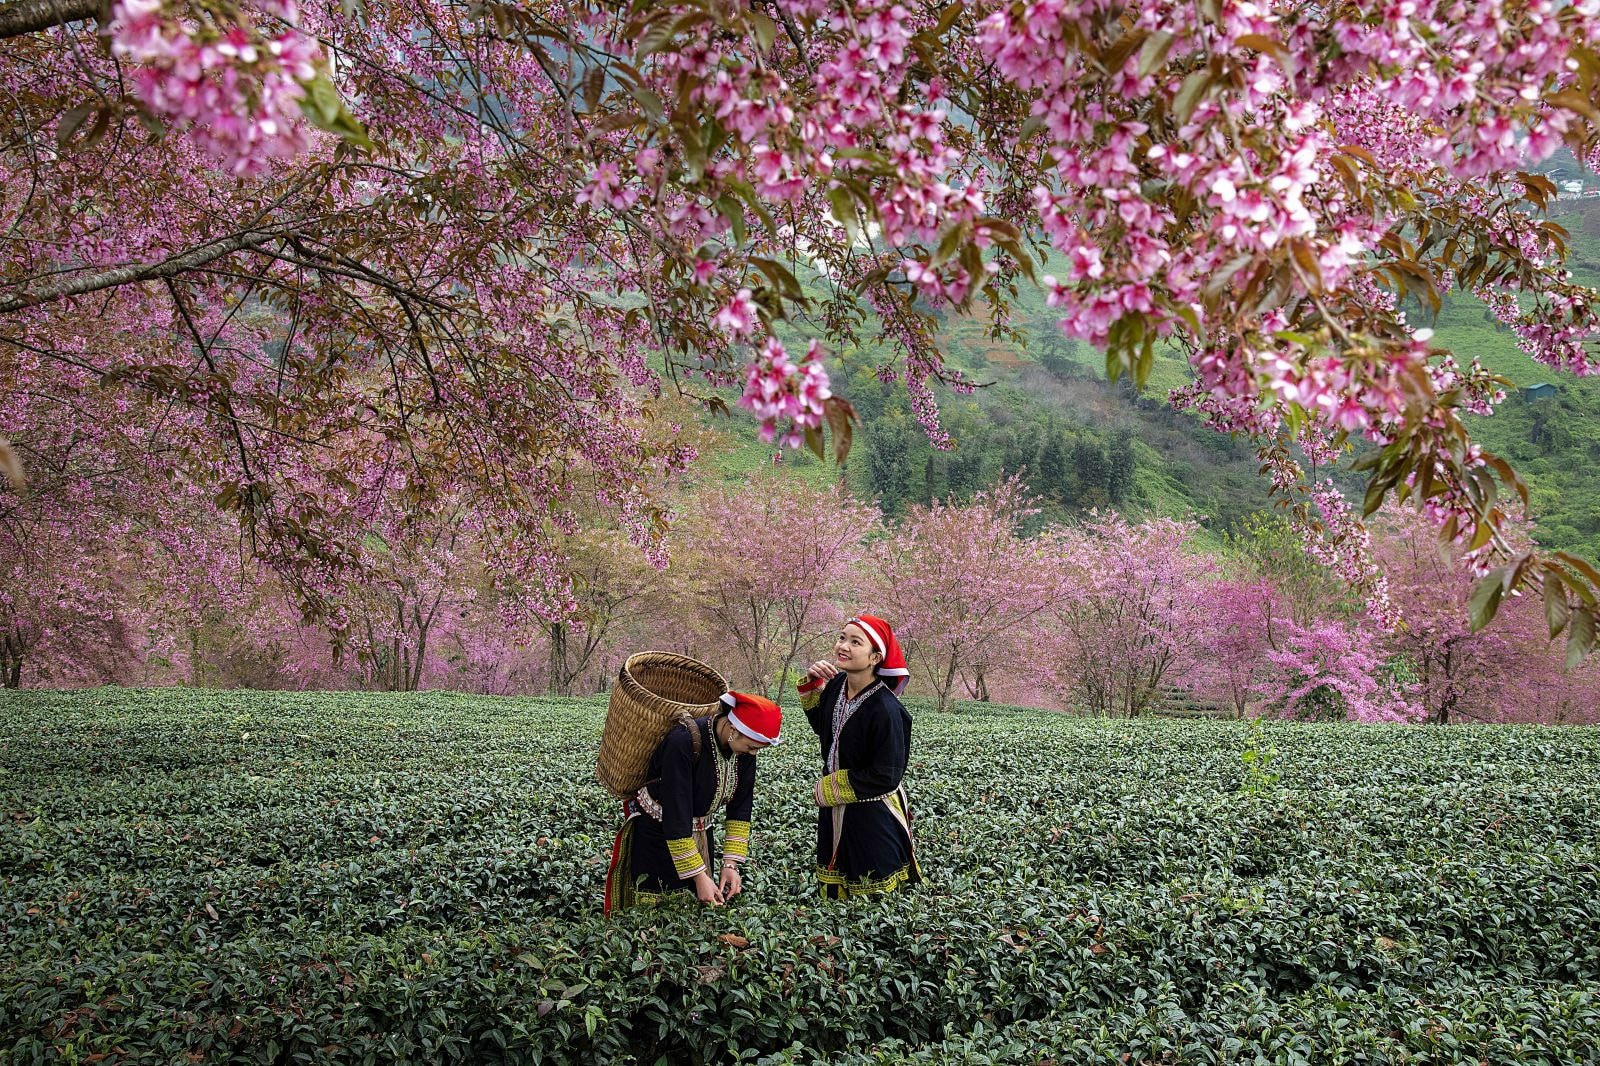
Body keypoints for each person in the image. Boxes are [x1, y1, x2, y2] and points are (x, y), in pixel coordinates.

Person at [604, 691, 782, 915]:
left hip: (700, 832)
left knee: (694, 906)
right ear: (733, 729)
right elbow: (676, 813)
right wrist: (699, 876)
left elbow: (740, 805)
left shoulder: (744, 753)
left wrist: (730, 865)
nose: (753, 754)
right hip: (658, 834)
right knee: (656, 908)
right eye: (751, 747)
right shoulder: (683, 741)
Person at [799, 613, 922, 899]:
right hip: (835, 809)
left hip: (871, 812)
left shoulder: (888, 710)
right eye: (842, 637)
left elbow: (886, 775)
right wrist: (813, 684)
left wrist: (830, 787)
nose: (843, 646)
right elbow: (827, 730)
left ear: (875, 658)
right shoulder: (835, 687)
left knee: (870, 895)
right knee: (834, 895)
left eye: (856, 642)